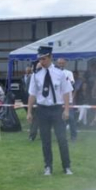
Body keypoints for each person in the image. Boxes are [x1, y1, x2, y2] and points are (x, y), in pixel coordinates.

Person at [26, 46, 73, 176]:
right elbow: (32, 94)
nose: (42, 61)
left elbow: (66, 92)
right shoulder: (36, 75)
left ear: (51, 57)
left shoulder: (60, 73)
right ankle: (48, 167)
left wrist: (67, 110)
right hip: (42, 109)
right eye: (40, 59)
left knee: (62, 139)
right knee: (45, 140)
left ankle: (67, 166)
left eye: (44, 58)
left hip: (57, 109)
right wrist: (29, 112)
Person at [22, 65, 38, 140]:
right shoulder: (32, 77)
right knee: (35, 119)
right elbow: (29, 91)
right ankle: (32, 135)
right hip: (35, 101)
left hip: (43, 102)